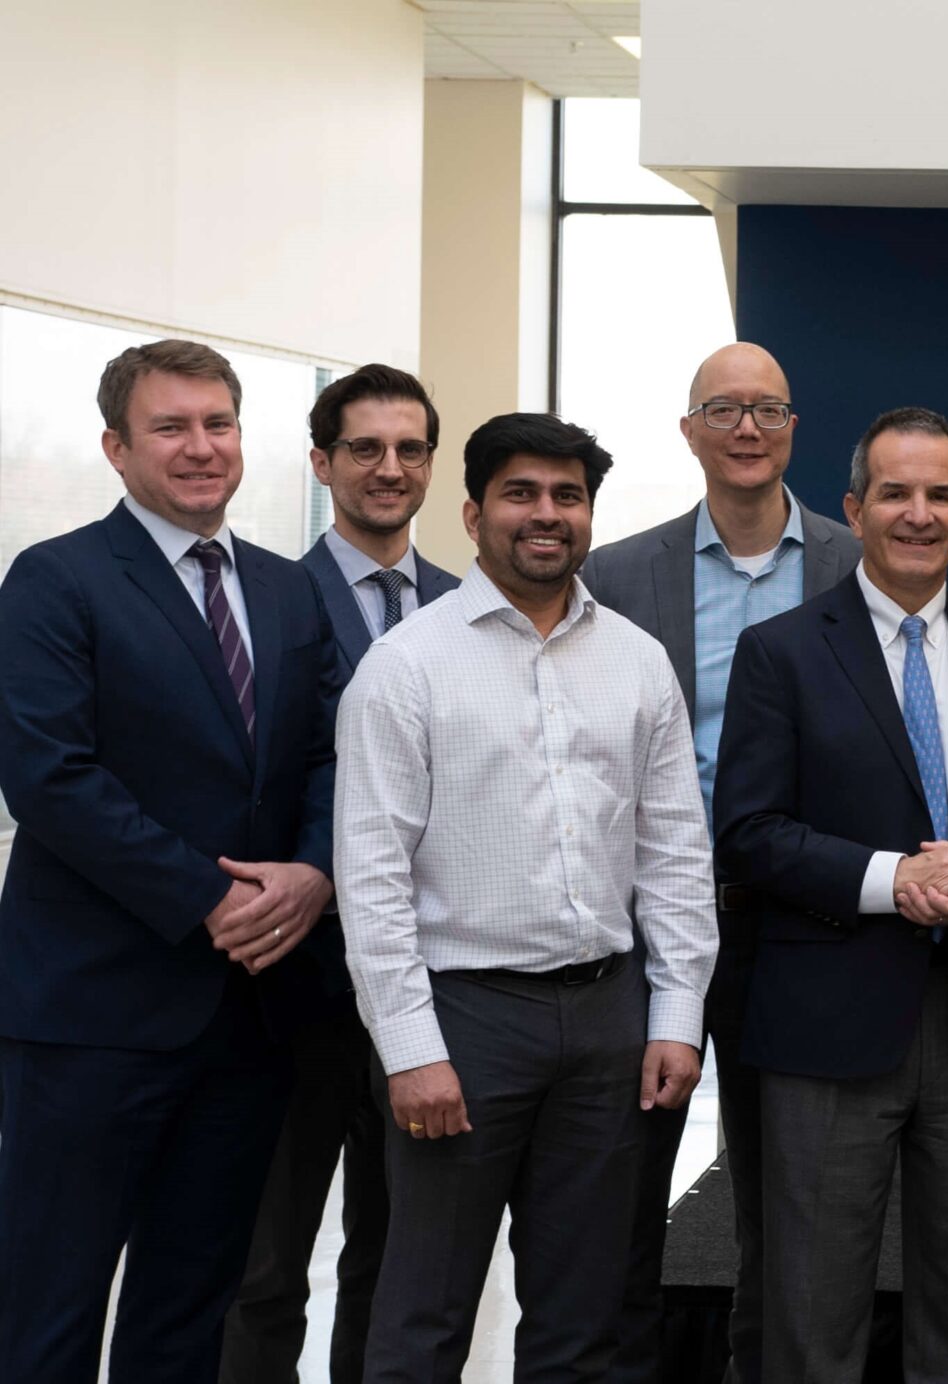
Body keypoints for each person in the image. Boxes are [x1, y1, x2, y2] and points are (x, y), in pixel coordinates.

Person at [336, 412, 719, 1382]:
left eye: (567, 495)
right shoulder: (406, 667)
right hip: (464, 1023)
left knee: (584, 1320)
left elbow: (674, 851)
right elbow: (372, 879)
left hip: (607, 1024)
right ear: (472, 513)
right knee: (424, 1315)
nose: (546, 515)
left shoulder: (637, 660)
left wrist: (675, 1016)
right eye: (521, 493)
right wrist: (411, 1049)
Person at [0, 339, 345, 1383]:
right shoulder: (55, 580)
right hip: (93, 1020)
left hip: (247, 1019)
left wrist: (316, 871)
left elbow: (333, 756)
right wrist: (209, 899)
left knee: (188, 1314)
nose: (202, 448)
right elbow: (52, 778)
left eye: (219, 424)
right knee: (46, 1312)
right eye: (171, 427)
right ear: (116, 446)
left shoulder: (290, 590)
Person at [717, 407, 948, 1384]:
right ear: (854, 508)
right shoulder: (781, 653)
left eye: (938, 494)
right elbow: (747, 831)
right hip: (825, 1029)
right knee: (811, 1319)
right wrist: (894, 879)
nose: (918, 513)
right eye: (895, 493)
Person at [582, 341, 860, 1384]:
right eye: (724, 409)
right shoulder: (616, 574)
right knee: (620, 1185)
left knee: (786, 1201)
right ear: (690, 430)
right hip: (649, 920)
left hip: (795, 920)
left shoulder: (854, 561)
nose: (748, 428)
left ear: (794, 429)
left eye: (769, 410)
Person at [221, 363, 461, 1384]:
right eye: (364, 448)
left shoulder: (469, 607)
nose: (389, 468)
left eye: (410, 449)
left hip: (437, 993)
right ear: (321, 464)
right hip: (297, 988)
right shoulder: (266, 602)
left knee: (402, 1263)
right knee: (268, 1264)